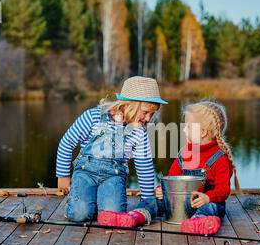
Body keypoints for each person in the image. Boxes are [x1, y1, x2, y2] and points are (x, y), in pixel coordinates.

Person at [98, 100, 241, 234]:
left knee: (212, 208)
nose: (184, 131)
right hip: (178, 204)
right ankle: (135, 216)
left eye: (188, 127)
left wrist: (207, 198)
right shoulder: (184, 154)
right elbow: (171, 178)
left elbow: (223, 191)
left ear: (202, 132)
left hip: (203, 203)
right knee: (154, 200)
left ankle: (199, 222)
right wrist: (162, 189)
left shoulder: (219, 158)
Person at [56, 76, 167, 222]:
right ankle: (83, 202)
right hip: (85, 173)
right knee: (79, 214)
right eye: (145, 112)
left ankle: (96, 202)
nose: (147, 119)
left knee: (114, 214)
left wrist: (147, 200)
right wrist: (63, 176)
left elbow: (144, 164)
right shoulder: (93, 117)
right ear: (129, 104)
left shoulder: (139, 131)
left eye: (152, 114)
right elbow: (66, 143)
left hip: (113, 177)